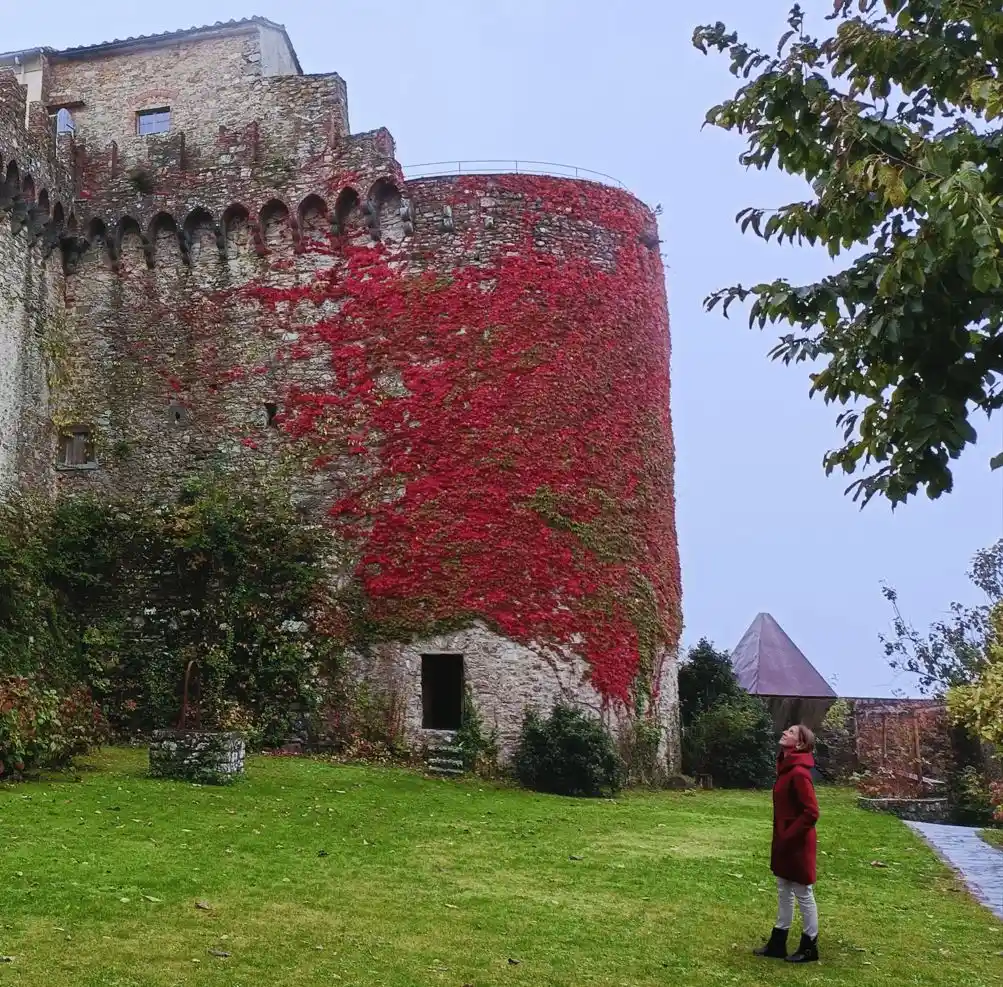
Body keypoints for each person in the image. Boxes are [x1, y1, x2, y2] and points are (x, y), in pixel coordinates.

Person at [754, 723, 820, 964]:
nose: (785, 732)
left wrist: (789, 834)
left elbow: (811, 812)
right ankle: (778, 942)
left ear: (801, 744)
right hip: (784, 840)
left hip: (797, 842)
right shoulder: (786, 769)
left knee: (803, 892)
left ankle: (810, 945)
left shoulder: (799, 773)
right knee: (783, 888)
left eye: (791, 732)